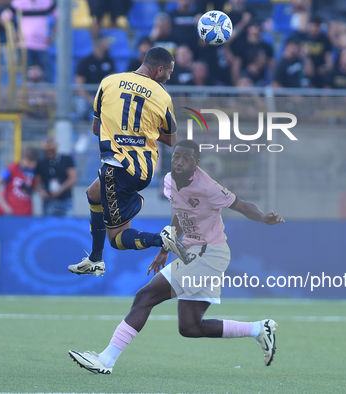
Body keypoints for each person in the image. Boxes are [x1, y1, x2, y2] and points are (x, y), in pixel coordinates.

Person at [68, 140, 285, 374]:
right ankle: (259, 329)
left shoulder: (208, 187)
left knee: (145, 296)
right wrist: (164, 249)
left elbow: (242, 206)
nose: (179, 161)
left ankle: (106, 360)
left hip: (209, 254)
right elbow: (181, 215)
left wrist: (263, 217)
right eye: (177, 157)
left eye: (186, 158)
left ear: (197, 162)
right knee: (190, 326)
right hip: (193, 253)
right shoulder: (170, 180)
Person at [67, 47, 188, 277]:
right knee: (94, 193)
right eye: (169, 72)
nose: (169, 77)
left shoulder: (109, 82)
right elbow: (172, 139)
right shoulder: (162, 95)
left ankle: (162, 238)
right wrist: (147, 132)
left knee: (118, 239)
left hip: (119, 166)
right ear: (159, 69)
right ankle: (95, 258)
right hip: (143, 167)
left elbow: (95, 128)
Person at [0, 0, 56, 82]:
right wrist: (14, 33)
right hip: (25, 46)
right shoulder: (17, 3)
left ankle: (47, 94)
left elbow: (60, 17)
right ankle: (25, 94)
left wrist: (53, 36)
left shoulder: (47, 2)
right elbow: (3, 18)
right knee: (25, 76)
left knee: (46, 76)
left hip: (43, 46)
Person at [34, 137, 77, 217]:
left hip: (65, 199)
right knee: (50, 227)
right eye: (47, 151)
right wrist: (41, 192)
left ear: (56, 147)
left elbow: (72, 178)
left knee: (68, 226)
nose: (49, 152)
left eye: (51, 150)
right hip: (48, 200)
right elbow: (37, 182)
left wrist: (61, 189)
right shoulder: (41, 162)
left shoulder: (67, 159)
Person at [0, 146, 38, 215]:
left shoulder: (35, 172)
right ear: (23, 159)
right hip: (10, 213)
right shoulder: (12, 169)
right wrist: (4, 204)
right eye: (30, 161)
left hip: (26, 214)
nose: (33, 164)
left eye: (34, 161)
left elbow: (35, 189)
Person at [75, 35, 115, 113]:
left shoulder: (109, 61)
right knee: (81, 104)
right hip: (88, 96)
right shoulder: (85, 62)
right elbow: (79, 87)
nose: (109, 44)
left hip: (104, 96)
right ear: (99, 44)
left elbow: (114, 83)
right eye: (106, 42)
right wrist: (92, 100)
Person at [301, 16, 333, 88]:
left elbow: (329, 60)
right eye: (314, 25)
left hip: (320, 73)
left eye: (318, 26)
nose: (316, 28)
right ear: (309, 25)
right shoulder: (302, 38)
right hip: (304, 71)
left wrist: (326, 67)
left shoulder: (325, 40)